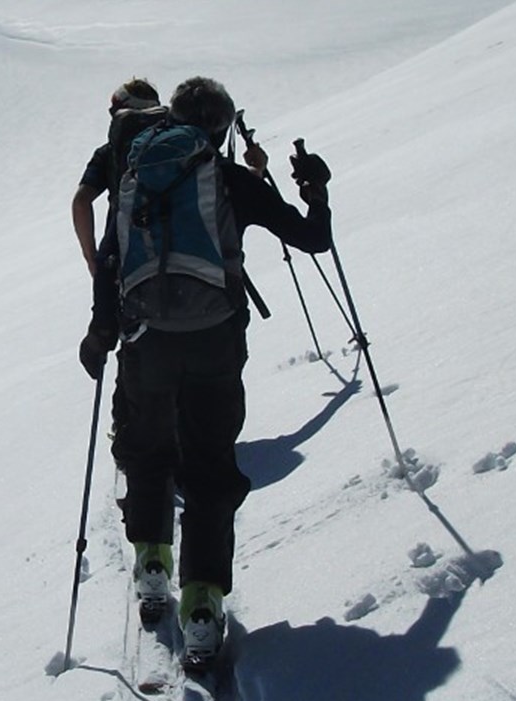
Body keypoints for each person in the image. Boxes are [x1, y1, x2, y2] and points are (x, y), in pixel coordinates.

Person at [77, 76, 334, 666]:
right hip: (216, 343)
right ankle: (201, 607)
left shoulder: (136, 175)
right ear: (218, 130)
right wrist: (314, 188)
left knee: (146, 453)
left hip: (146, 343)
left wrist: (101, 331)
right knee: (210, 469)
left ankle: (150, 566)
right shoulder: (228, 178)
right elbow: (312, 237)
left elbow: (111, 260)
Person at [71, 79, 162, 275]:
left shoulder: (110, 153)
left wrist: (92, 258)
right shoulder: (183, 146)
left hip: (124, 252)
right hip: (184, 248)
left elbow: (81, 202)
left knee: (109, 302)